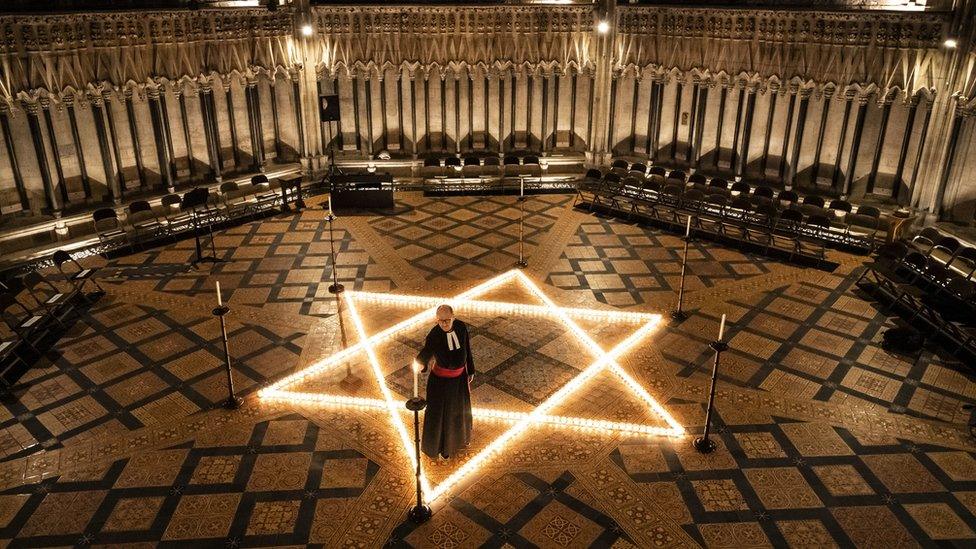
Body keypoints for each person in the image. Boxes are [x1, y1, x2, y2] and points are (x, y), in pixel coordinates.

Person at [415, 304, 474, 459]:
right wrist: (421, 362)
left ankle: (460, 440)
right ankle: (442, 448)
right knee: (442, 417)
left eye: (447, 320)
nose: (444, 324)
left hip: (459, 379)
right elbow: (427, 351)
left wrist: (471, 370)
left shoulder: (461, 327)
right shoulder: (434, 334)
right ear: (437, 320)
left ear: (453, 317)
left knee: (458, 412)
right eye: (440, 321)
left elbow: (467, 348)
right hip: (441, 383)